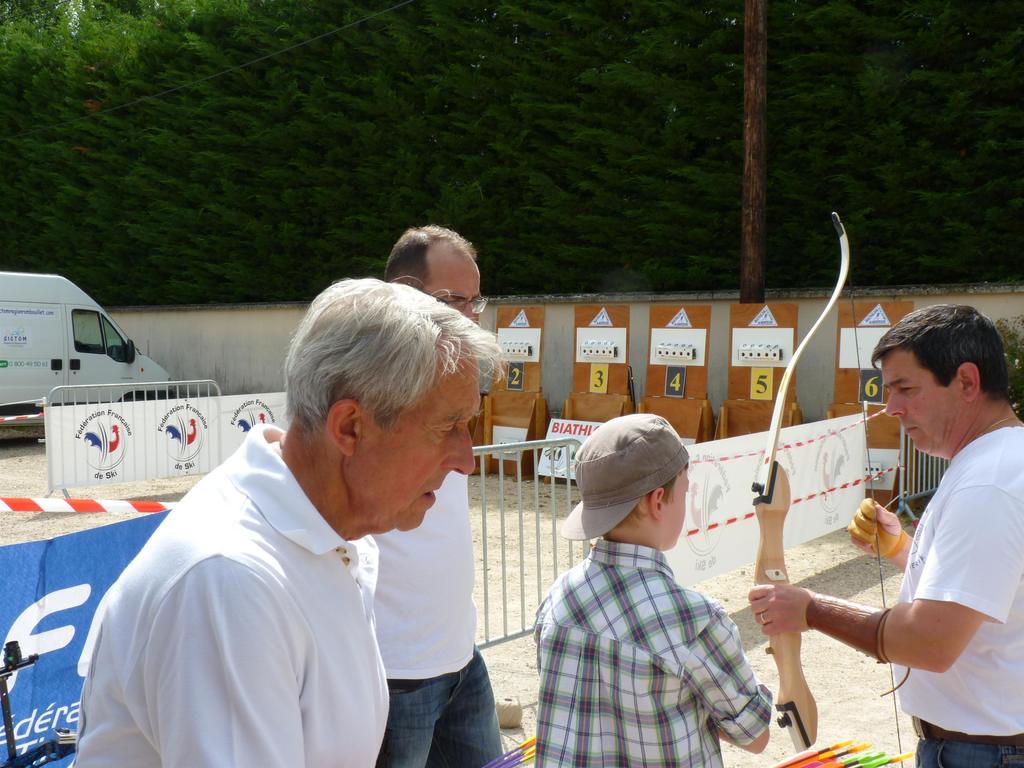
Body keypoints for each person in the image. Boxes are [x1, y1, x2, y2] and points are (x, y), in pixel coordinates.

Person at [74, 278, 502, 768]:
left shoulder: (334, 533)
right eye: (447, 427)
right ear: (350, 427)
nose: (467, 460)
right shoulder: (230, 580)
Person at [748, 304, 1024, 768]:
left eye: (906, 389)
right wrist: (902, 550)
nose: (892, 408)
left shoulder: (989, 483)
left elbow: (929, 642)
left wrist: (810, 608)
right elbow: (991, 591)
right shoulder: (999, 461)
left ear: (966, 381)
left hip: (985, 753)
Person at [534, 413, 772, 767]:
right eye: (685, 491)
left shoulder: (558, 598)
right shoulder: (692, 619)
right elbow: (754, 734)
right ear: (658, 500)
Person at [373, 225, 503, 768]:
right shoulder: (372, 394)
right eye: (455, 300)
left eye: (476, 302)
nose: (470, 317)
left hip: (459, 655)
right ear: (403, 293)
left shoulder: (453, 381)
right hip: (393, 669)